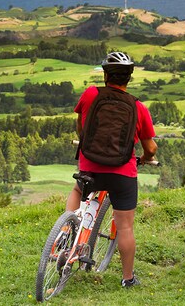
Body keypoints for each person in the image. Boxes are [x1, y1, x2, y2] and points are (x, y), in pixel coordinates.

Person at [69, 51, 157, 288]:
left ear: (106, 75)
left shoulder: (90, 94)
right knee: (125, 226)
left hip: (90, 167)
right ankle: (127, 278)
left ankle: (68, 230)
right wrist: (147, 157)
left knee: (78, 191)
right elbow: (151, 146)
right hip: (122, 173)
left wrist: (86, 141)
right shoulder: (138, 107)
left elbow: (81, 124)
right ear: (129, 77)